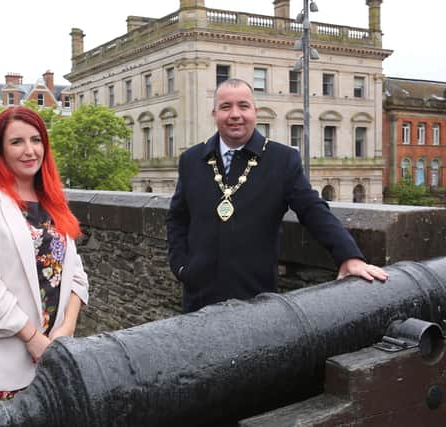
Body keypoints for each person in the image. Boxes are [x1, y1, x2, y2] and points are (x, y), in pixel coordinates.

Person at [166, 78, 388, 313]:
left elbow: (312, 209)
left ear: (255, 112)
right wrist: (181, 267)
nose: (235, 114)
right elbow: (177, 218)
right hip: (198, 299)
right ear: (214, 113)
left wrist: (349, 256)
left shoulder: (282, 160)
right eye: (225, 107)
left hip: (256, 300)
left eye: (243, 106)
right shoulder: (191, 159)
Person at [0, 106, 89, 420]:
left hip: (55, 356)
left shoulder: (53, 201)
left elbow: (76, 275)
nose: (30, 150)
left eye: (36, 140)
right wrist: (32, 338)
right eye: (17, 142)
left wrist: (65, 330)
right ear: (0, 150)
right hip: (4, 358)